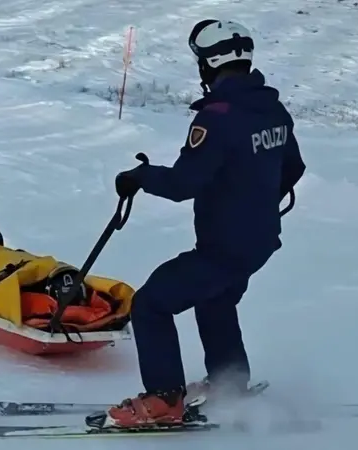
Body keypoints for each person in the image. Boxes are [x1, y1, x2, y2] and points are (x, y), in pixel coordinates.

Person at [103, 19, 306, 428]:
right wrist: (255, 201)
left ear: (209, 65)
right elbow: (294, 166)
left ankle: (164, 399)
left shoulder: (218, 117)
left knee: (152, 303)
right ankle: (230, 382)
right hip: (260, 240)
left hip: (225, 245)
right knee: (215, 300)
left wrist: (139, 177)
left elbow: (183, 183)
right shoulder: (272, 108)